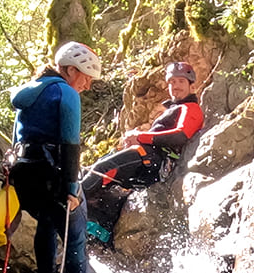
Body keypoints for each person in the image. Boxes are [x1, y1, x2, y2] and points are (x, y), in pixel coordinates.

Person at [6, 42, 115, 273]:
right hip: (53, 176)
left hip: (25, 176)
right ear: (69, 70)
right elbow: (70, 144)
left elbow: (17, 141)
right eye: (85, 77)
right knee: (75, 236)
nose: (87, 85)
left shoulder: (28, 94)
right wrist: (71, 189)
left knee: (45, 220)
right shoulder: (65, 93)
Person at [81, 61, 205, 246]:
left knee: (104, 168)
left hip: (153, 159)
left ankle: (69, 204)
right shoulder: (175, 108)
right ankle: (101, 235)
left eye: (180, 81)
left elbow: (181, 135)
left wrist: (141, 136)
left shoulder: (190, 108)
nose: (175, 86)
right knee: (100, 185)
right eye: (172, 82)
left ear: (192, 86)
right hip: (148, 158)